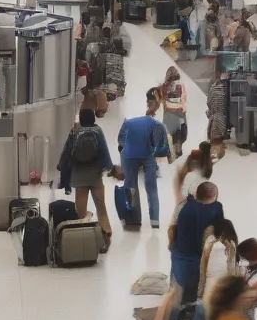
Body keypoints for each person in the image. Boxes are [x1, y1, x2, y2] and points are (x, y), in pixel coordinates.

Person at [142, 182, 225, 320]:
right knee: (194, 299)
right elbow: (220, 231)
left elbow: (174, 231)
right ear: (214, 196)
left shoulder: (185, 209)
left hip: (182, 259)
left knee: (175, 301)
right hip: (201, 260)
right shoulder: (217, 208)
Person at [57, 108, 121, 253]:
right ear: (93, 118)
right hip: (95, 176)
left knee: (80, 211)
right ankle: (106, 234)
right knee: (101, 206)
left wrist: (61, 166)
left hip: (79, 177)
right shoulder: (97, 131)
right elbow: (104, 150)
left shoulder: (75, 131)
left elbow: (67, 150)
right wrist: (110, 168)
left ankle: (83, 236)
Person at [182, 217, 239, 320]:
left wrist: (200, 293)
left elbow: (203, 272)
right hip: (221, 294)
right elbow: (231, 273)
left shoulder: (209, 243)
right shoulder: (230, 245)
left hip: (207, 292)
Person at [116, 89, 169, 230]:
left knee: (131, 186)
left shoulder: (127, 122)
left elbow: (120, 141)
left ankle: (135, 219)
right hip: (147, 155)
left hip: (130, 155)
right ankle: (155, 221)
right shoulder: (154, 124)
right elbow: (160, 145)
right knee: (151, 187)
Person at [159, 66, 187, 157]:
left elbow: (162, 100)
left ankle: (171, 154)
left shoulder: (164, 86)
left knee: (170, 135)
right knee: (180, 134)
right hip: (179, 113)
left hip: (168, 114)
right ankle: (177, 151)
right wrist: (183, 110)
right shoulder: (180, 84)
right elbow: (184, 98)